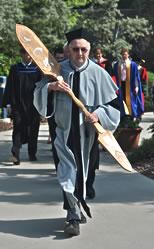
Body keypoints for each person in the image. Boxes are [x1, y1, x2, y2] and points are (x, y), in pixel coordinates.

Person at [34, 27, 120, 236]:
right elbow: (38, 93)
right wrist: (51, 88)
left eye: (84, 50)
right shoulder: (55, 71)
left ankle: (78, 204)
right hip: (62, 132)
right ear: (68, 50)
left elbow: (115, 106)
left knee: (84, 172)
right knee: (66, 170)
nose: (80, 54)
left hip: (88, 135)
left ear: (89, 50)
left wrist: (99, 114)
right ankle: (72, 214)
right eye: (75, 49)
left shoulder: (99, 73)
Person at [2, 47, 42, 165]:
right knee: (18, 129)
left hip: (33, 105)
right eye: (26, 53)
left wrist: (42, 105)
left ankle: (32, 152)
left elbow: (41, 89)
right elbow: (10, 87)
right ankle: (15, 154)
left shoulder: (37, 69)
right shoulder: (15, 69)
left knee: (33, 129)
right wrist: (8, 104)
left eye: (30, 53)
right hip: (18, 104)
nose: (29, 55)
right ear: (21, 54)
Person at [114, 48, 144, 119]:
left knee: (131, 101)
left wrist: (136, 87)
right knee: (122, 100)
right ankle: (123, 116)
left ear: (128, 55)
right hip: (121, 85)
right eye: (123, 54)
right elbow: (115, 76)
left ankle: (131, 116)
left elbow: (136, 77)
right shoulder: (117, 64)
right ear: (121, 55)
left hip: (130, 86)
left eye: (125, 54)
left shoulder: (133, 65)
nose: (124, 56)